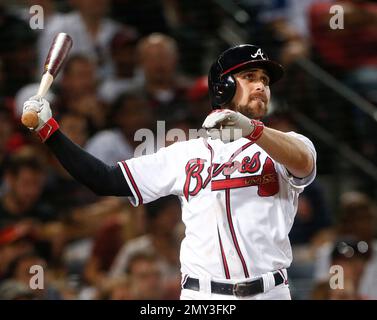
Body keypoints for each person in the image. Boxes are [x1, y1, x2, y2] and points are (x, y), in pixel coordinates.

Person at [21, 44, 316, 300]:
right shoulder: (185, 154)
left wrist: (251, 129)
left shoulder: (285, 144)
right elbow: (105, 179)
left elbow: (303, 162)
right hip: (203, 295)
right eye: (250, 77)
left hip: (270, 291)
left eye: (264, 79)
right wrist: (51, 132)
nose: (261, 86)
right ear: (223, 86)